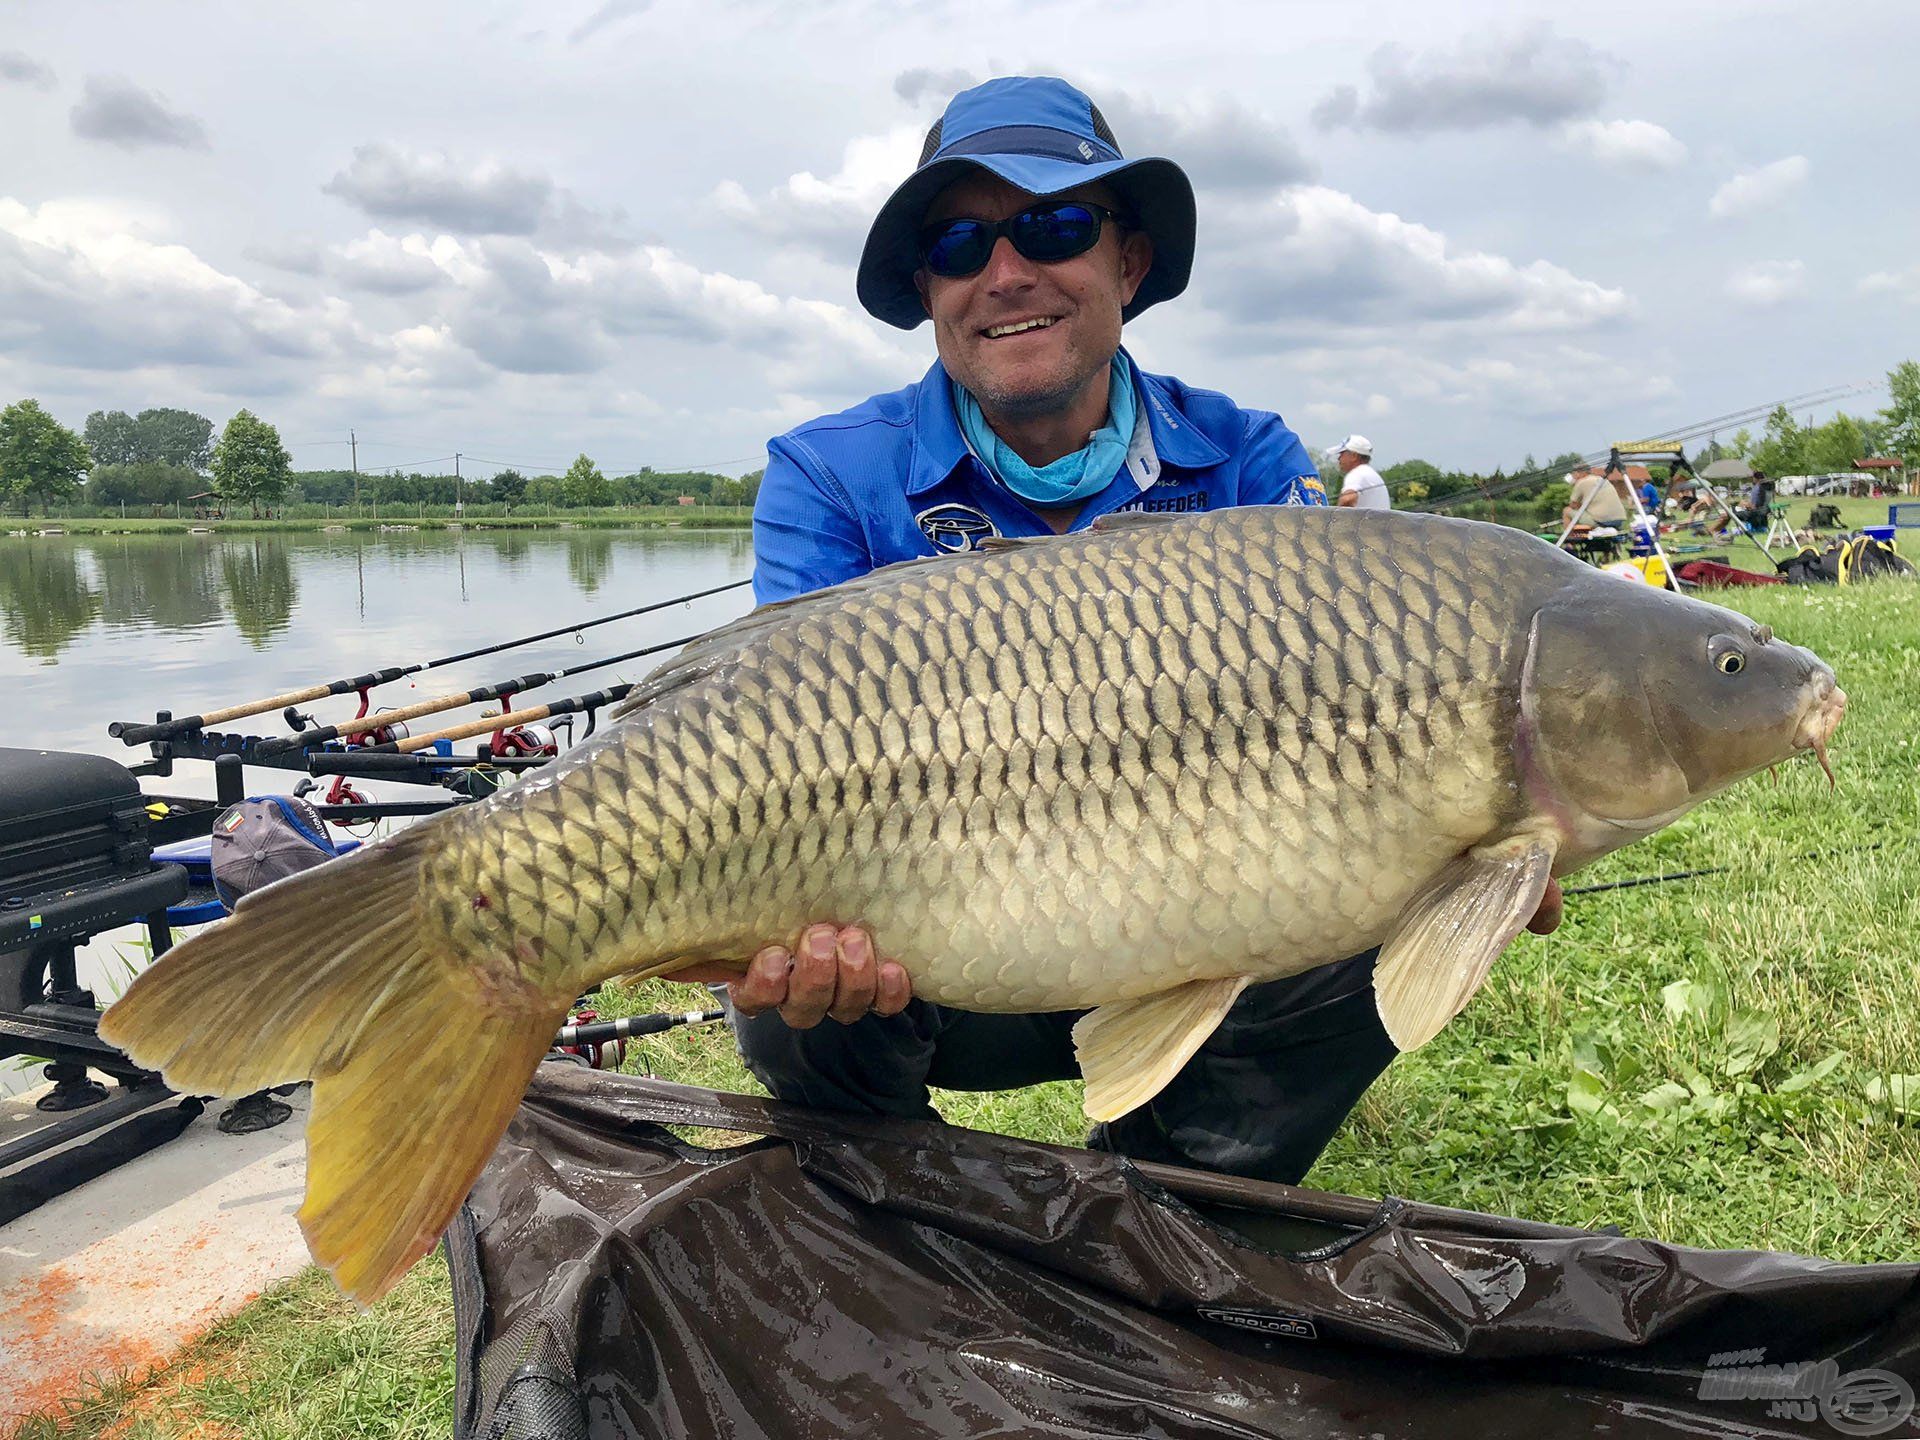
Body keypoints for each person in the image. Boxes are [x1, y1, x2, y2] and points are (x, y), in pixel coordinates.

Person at [678, 77, 1561, 1186]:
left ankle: (1174, 1201)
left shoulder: (1244, 460)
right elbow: (771, 750)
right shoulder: (830, 474)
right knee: (793, 984)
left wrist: (1462, 850)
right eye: (960, 244)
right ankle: (905, 1206)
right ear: (929, 287)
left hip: (1206, 924)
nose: (1006, 274)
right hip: (939, 962)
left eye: (1053, 226)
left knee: (1379, 890)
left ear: (1129, 263)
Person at [1333, 435, 1389, 509]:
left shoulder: (1357, 474)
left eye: (1342, 454)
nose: (1339, 458)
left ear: (1354, 456)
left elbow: (1347, 499)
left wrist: (1335, 517)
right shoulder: (1371, 473)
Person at [1562, 465, 1627, 528]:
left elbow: (1573, 505)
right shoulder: (1602, 479)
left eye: (1573, 473)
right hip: (1619, 520)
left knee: (1566, 510)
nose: (1573, 476)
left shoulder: (1581, 482)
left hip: (1602, 522)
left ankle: (1568, 537)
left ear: (1578, 473)